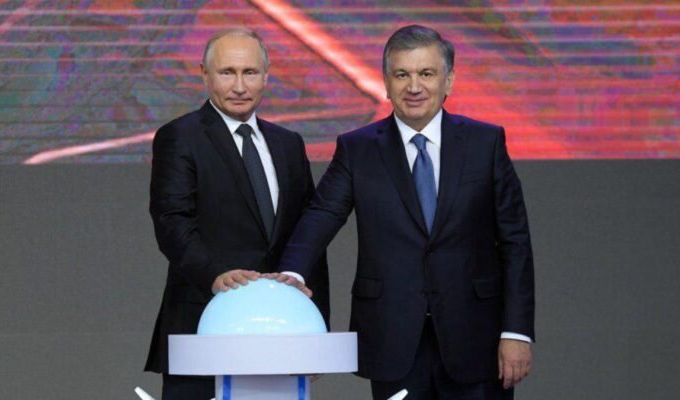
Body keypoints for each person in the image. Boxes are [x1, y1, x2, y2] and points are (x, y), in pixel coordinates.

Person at [271, 25, 534, 400]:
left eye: (426, 73)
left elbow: (515, 242)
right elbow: (322, 214)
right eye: (402, 74)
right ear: (385, 81)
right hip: (393, 337)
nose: (414, 86)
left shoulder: (485, 142)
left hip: (476, 336)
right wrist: (291, 274)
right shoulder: (357, 149)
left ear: (448, 80)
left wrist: (516, 331)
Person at [143, 27, 329, 399]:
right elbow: (171, 221)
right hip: (203, 329)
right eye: (228, 72)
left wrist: (316, 331)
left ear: (266, 76)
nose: (240, 86)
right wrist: (215, 275)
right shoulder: (180, 137)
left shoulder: (288, 144)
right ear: (204, 74)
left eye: (250, 73)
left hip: (282, 333)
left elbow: (308, 237)